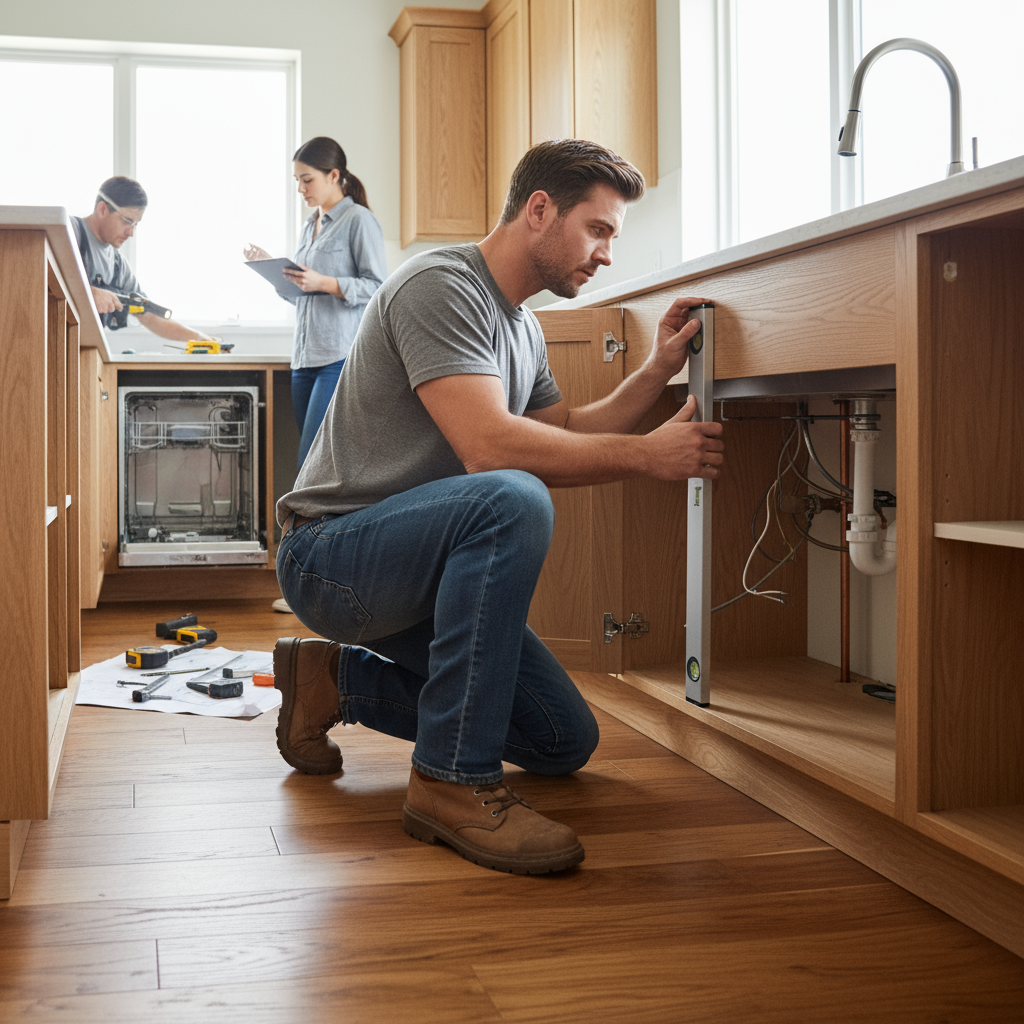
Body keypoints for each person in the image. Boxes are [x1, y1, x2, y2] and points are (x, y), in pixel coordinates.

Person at [272, 139, 725, 875]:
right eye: (599, 229)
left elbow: (562, 432)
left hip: (410, 571)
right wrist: (648, 456)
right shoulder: (442, 286)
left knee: (559, 739)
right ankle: (451, 781)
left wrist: (655, 372)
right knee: (511, 494)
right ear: (539, 210)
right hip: (333, 560)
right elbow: (490, 447)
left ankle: (333, 681)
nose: (607, 253)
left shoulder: (520, 324)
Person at [244, 137, 387, 471]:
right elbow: (301, 293)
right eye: (297, 181)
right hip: (304, 359)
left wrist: (324, 282)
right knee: (315, 460)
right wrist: (275, 271)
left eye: (307, 180)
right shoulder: (309, 226)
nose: (301, 189)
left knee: (313, 461)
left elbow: (378, 287)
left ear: (334, 175)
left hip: (337, 358)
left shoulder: (358, 220)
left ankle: (304, 525)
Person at [72, 176, 214, 342]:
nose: (130, 232)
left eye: (135, 224)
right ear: (103, 209)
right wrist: (90, 293)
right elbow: (41, 276)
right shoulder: (70, 233)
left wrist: (198, 337)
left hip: (85, 353)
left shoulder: (118, 265)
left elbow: (149, 315)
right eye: (127, 221)